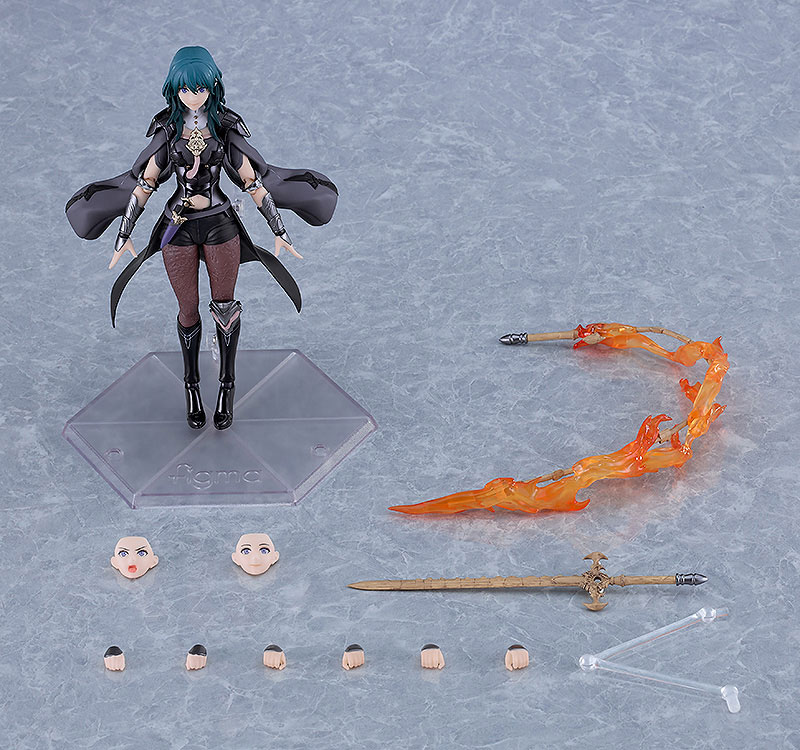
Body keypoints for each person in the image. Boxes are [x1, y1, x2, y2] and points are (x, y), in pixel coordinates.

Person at [66, 46, 337, 430]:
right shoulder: (167, 130)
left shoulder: (225, 128)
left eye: (200, 88)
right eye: (185, 89)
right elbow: (145, 184)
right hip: (177, 227)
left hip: (218, 223)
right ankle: (191, 386)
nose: (193, 96)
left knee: (225, 308)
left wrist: (279, 229)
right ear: (173, 89)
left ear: (212, 86)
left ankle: (227, 386)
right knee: (188, 311)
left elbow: (252, 183)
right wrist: (124, 232)